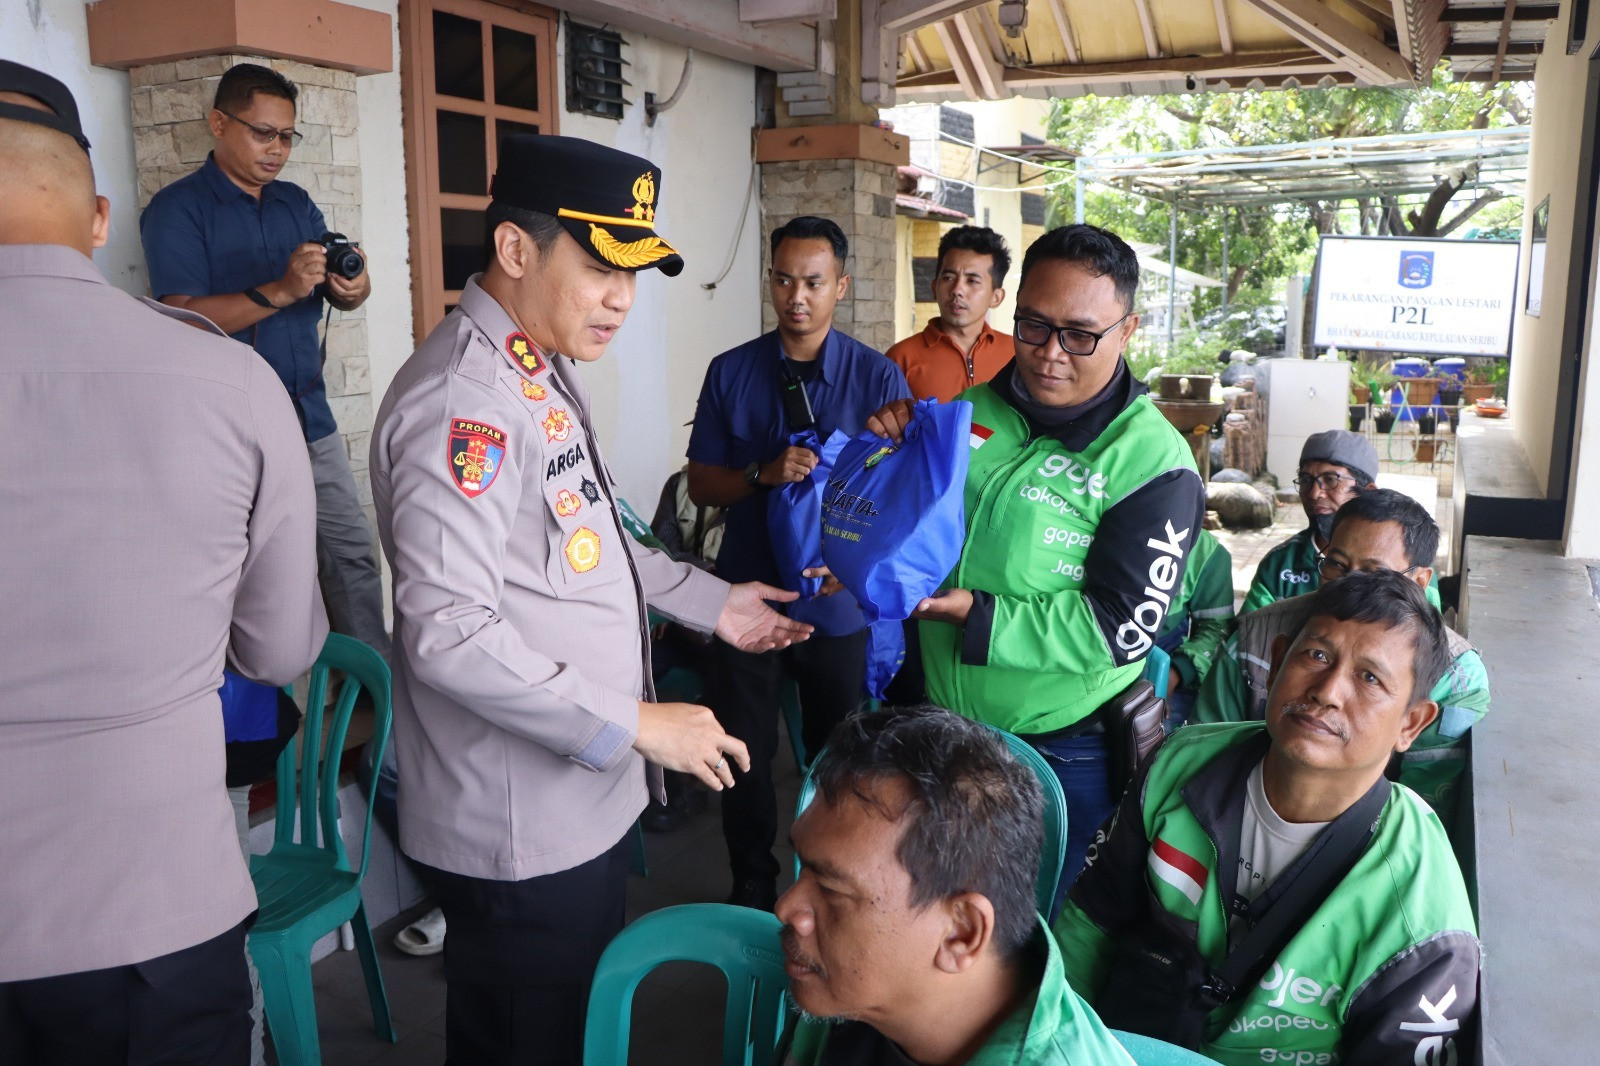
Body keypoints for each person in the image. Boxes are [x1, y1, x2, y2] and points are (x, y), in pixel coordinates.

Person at [371, 133, 811, 1066]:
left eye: (633, 273)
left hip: (575, 797)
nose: (623, 297)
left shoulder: (534, 366)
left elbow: (593, 544)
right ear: (515, 250)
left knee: (564, 1029)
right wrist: (639, 722)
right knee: (529, 1041)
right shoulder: (467, 404)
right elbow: (448, 633)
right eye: (602, 268)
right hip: (520, 819)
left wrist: (714, 603)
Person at [0, 61, 326, 1063]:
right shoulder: (226, 380)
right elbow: (278, 651)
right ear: (101, 220)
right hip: (154, 909)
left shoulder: (281, 229)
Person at [866, 223, 1207, 887]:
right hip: (939, 720)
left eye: (1080, 335)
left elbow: (1119, 629)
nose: (1050, 353)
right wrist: (893, 453)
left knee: (1028, 926)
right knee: (932, 904)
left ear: (1127, 332)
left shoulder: (1152, 464)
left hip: (1058, 749)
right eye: (1034, 326)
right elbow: (922, 523)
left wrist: (978, 616)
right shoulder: (973, 408)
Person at [1055, 572, 1480, 1065]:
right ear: (1277, 663)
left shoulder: (1422, 908)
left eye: (1369, 678)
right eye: (1316, 655)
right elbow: (1088, 930)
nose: (1327, 691)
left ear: (1411, 722)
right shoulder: (1178, 766)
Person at [686, 215, 911, 911]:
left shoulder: (878, 377)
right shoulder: (732, 371)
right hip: (749, 597)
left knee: (838, 754)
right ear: (770, 281)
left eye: (813, 282)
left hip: (834, 600)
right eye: (784, 280)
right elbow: (702, 484)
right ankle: (752, 882)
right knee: (743, 750)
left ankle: (829, 883)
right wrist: (762, 473)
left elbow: (896, 496)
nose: (797, 297)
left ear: (840, 285)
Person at [140, 62, 389, 660]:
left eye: (286, 136)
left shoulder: (294, 203)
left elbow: (340, 291)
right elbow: (180, 318)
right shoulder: (177, 210)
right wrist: (277, 291)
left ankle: (376, 698)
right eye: (262, 133)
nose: (277, 149)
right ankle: (283, 704)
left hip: (310, 417)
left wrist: (352, 289)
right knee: (269, 578)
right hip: (232, 429)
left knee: (351, 555)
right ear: (218, 123)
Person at [776, 706, 1136, 1065]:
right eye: (804, 867)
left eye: (831, 891)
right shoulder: (846, 988)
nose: (785, 908)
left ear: (962, 933)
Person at [1193, 489, 1489, 823]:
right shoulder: (1255, 639)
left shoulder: (1455, 675)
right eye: (1336, 564)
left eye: (1374, 573)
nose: (1349, 586)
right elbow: (1206, 752)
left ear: (1419, 581)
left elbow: (1429, 806)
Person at [1240, 429, 1378, 613]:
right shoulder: (1281, 564)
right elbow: (1250, 628)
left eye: (1330, 479)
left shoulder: (1394, 560)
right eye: (1306, 480)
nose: (1314, 493)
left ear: (1368, 491)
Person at [885, 224, 1013, 402]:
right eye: (948, 278)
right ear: (934, 288)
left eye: (972, 280)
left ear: (996, 297)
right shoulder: (900, 359)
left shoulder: (1016, 355)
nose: (957, 290)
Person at [1154, 527, 1235, 726]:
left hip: (1165, 667)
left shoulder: (1207, 552)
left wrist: (1175, 673)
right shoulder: (1087, 531)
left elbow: (1217, 628)